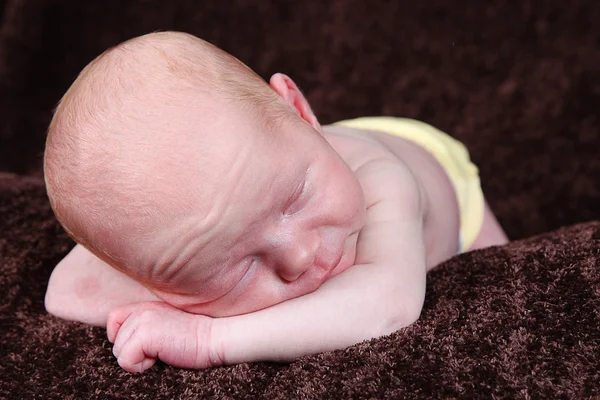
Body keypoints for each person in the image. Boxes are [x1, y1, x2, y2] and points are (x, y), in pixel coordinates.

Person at [43, 31, 508, 373]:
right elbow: (65, 292)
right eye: (236, 266)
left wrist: (210, 337)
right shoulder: (187, 233)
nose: (298, 257)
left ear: (302, 112)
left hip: (442, 177)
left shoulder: (384, 180)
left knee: (503, 270)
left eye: (295, 199)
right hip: (288, 151)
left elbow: (389, 305)